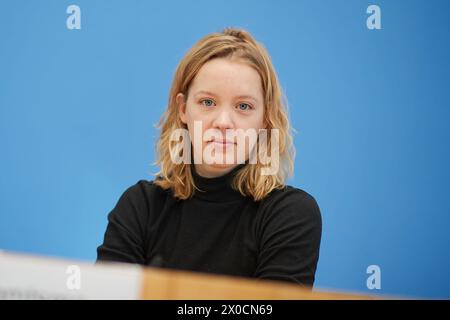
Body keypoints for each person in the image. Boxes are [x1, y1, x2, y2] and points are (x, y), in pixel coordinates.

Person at [97, 27, 322, 287]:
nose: (224, 122)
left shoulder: (289, 214)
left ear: (265, 119)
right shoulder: (140, 207)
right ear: (183, 109)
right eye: (207, 102)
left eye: (243, 106)